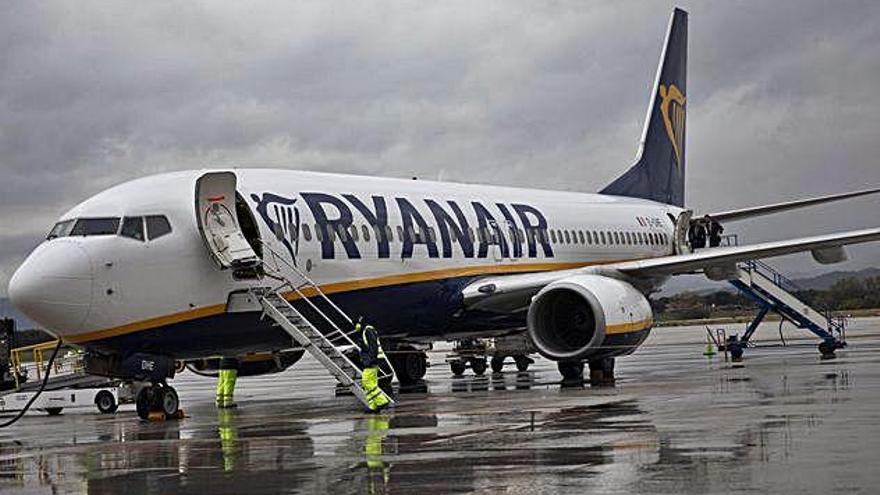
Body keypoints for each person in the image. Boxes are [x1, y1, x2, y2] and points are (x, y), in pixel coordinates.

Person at [357, 320, 391, 412]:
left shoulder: (368, 330)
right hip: (371, 361)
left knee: (366, 382)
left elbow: (373, 347)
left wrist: (370, 361)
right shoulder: (366, 331)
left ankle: (382, 401)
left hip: (372, 361)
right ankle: (373, 405)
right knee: (370, 384)